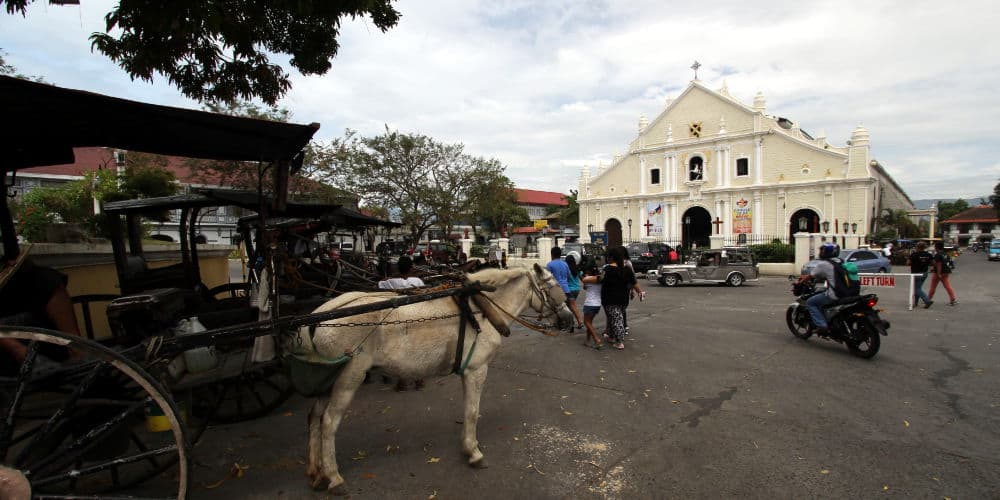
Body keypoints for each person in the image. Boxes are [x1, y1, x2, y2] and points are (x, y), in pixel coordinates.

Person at [376, 255, 426, 390]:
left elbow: (380, 284)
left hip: (397, 319)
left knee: (402, 351)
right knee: (416, 350)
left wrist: (392, 276)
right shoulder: (417, 281)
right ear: (411, 268)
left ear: (398, 268)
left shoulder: (390, 282)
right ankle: (419, 381)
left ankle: (403, 382)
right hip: (415, 318)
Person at [795, 243, 841, 336]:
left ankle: (822, 325)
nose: (820, 253)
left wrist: (799, 283)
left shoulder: (824, 264)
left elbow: (810, 276)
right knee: (822, 293)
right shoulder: (841, 261)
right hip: (850, 293)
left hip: (835, 294)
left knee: (810, 302)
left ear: (825, 252)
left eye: (821, 250)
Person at [597, 247, 635, 350]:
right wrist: (637, 291)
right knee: (615, 318)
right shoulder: (626, 268)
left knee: (616, 319)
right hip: (623, 299)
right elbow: (633, 282)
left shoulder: (607, 269)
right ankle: (612, 336)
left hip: (610, 299)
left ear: (611, 258)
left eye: (608, 256)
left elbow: (600, 279)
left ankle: (619, 342)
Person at [545, 247, 579, 330]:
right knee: (566, 307)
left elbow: (547, 278)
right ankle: (570, 324)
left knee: (556, 308)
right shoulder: (565, 264)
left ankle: (563, 324)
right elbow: (569, 276)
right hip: (566, 288)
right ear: (560, 255)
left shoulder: (550, 265)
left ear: (552, 254)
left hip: (556, 290)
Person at [580, 263, 604, 349]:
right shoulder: (600, 279)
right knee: (589, 322)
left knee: (586, 322)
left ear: (588, 271)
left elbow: (584, 285)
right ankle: (587, 340)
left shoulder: (587, 279)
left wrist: (585, 276)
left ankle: (596, 339)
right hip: (597, 304)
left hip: (589, 304)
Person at [927, 241, 957, 306]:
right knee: (947, 286)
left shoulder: (938, 254)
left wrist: (938, 273)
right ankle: (953, 299)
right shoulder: (944, 253)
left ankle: (928, 299)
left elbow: (939, 264)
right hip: (946, 271)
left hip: (939, 272)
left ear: (936, 247)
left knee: (933, 286)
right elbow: (945, 262)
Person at [907, 241, 934, 309]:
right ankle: (915, 302)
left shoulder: (914, 254)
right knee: (918, 288)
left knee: (916, 289)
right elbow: (933, 263)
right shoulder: (928, 254)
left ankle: (927, 300)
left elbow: (908, 263)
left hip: (916, 273)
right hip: (924, 273)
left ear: (917, 247)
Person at [564, 254, 585, 331]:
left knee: (571, 306)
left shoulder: (566, 269)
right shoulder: (577, 269)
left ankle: (578, 322)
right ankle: (572, 323)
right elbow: (582, 278)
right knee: (570, 306)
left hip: (569, 290)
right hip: (577, 289)